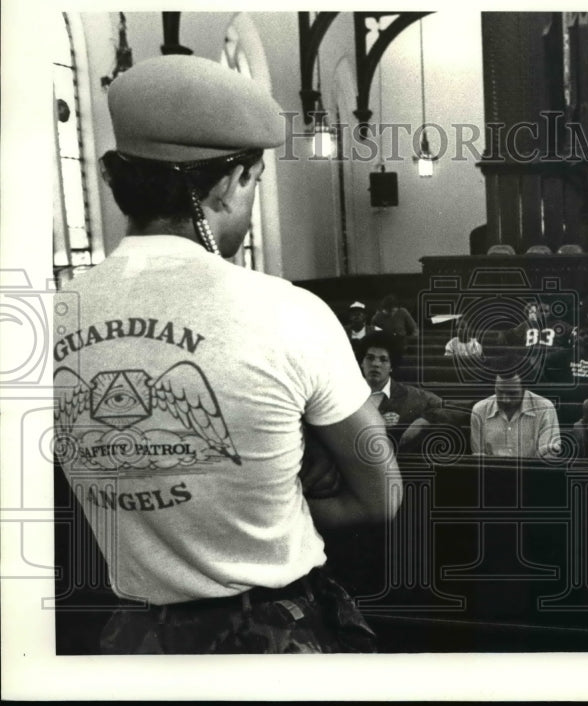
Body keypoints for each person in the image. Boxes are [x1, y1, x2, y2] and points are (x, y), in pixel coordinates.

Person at [51, 55, 400, 654]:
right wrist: (276, 486)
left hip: (134, 645)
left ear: (117, 179)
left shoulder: (49, 316)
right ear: (229, 182)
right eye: (254, 182)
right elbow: (382, 495)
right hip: (268, 639)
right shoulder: (287, 312)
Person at [357, 333, 444, 452]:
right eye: (370, 358)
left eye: (383, 360)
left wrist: (423, 421)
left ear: (391, 366)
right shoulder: (346, 394)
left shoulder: (411, 395)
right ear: (361, 362)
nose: (375, 364)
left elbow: (444, 407)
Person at [470, 357, 561, 459]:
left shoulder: (545, 409)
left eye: (512, 393)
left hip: (533, 474)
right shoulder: (479, 411)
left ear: (524, 388)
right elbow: (478, 461)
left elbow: (547, 459)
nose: (505, 399)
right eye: (500, 391)